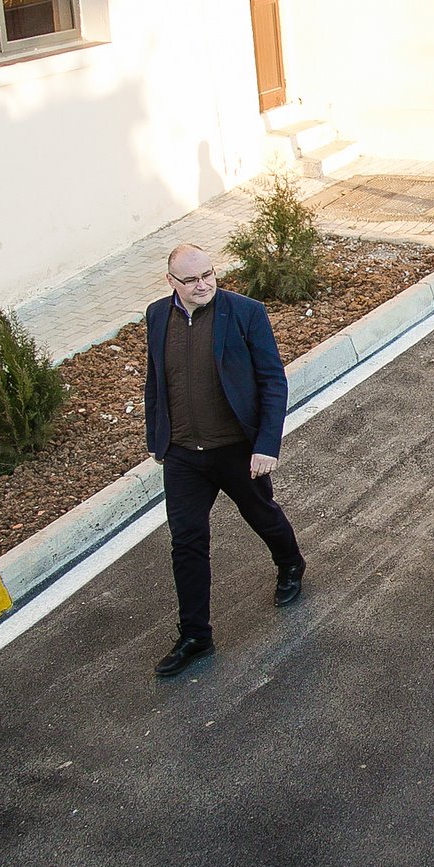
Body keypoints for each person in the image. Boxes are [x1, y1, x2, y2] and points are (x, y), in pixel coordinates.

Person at [144, 244, 305, 678]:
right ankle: (195, 635)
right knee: (187, 542)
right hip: (182, 454)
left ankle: (290, 562)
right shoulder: (157, 316)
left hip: (236, 449)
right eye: (191, 279)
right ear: (171, 282)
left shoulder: (245, 312)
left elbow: (272, 380)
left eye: (208, 274)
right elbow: (155, 381)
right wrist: (156, 439)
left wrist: (266, 444)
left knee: (261, 514)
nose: (203, 285)